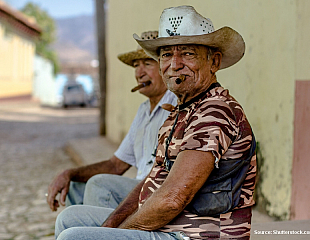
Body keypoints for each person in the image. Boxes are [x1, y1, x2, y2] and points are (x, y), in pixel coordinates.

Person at [55, 6, 256, 240]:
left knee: (74, 237)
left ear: (214, 61)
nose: (175, 64)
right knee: (69, 219)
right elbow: (152, 179)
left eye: (188, 54)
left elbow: (172, 199)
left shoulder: (214, 111)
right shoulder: (180, 110)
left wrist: (115, 234)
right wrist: (108, 228)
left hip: (194, 235)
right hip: (170, 227)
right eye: (167, 54)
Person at [46, 31, 177, 212]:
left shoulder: (177, 105)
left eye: (147, 63)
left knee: (100, 185)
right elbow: (116, 165)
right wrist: (69, 173)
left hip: (157, 194)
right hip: (137, 190)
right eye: (136, 65)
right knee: (74, 189)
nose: (139, 73)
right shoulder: (143, 111)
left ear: (165, 68)